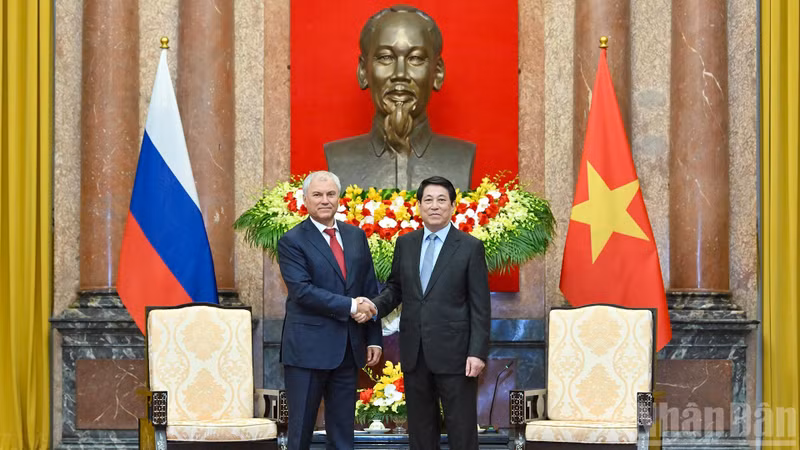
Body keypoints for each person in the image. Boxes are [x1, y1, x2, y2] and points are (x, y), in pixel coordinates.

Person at [355, 176, 491, 449]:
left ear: (453, 206)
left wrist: (477, 352)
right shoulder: (407, 243)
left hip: (456, 356)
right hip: (415, 353)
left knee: (461, 431)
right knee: (420, 431)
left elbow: (480, 306)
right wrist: (373, 307)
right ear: (418, 206)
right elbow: (395, 288)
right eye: (428, 200)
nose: (434, 206)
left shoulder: (469, 246)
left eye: (442, 200)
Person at [278, 171, 383, 450]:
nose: (325, 200)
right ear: (305, 199)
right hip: (307, 353)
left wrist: (373, 336)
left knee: (343, 435)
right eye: (317, 195)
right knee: (300, 433)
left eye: (330, 194)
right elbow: (302, 291)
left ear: (339, 198)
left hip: (348, 350)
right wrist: (351, 306)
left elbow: (369, 287)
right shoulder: (292, 240)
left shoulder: (355, 235)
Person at [325, 5, 475, 191]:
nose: (400, 74)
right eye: (386, 57)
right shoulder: (338, 157)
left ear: (437, 73)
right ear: (364, 71)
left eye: (416, 58)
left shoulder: (461, 156)